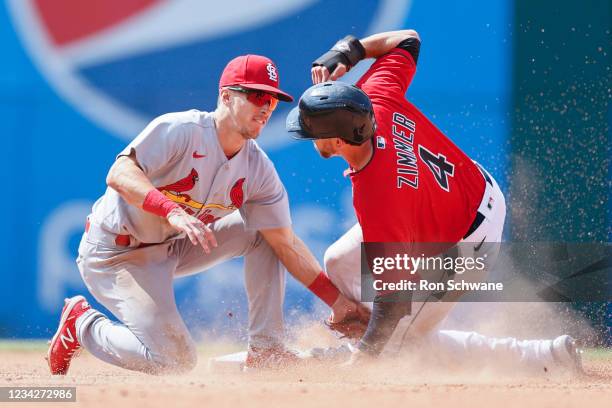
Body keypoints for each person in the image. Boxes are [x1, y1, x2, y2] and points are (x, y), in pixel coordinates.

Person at [47, 54, 368, 376]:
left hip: (173, 246)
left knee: (265, 233)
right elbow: (119, 172)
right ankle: (83, 324)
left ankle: (266, 348)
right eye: (257, 95)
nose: (267, 107)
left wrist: (337, 301)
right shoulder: (181, 130)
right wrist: (170, 209)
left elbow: (286, 244)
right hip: (116, 253)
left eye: (272, 100)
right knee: (174, 361)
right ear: (226, 96)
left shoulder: (258, 169)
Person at [286, 31, 582, 374]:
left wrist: (364, 357)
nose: (307, 137)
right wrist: (347, 52)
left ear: (337, 141)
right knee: (339, 261)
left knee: (400, 342)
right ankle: (378, 341)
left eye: (311, 132)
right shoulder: (373, 100)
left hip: (469, 237)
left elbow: (394, 302)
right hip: (459, 191)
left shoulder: (379, 197)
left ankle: (543, 357)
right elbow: (408, 40)